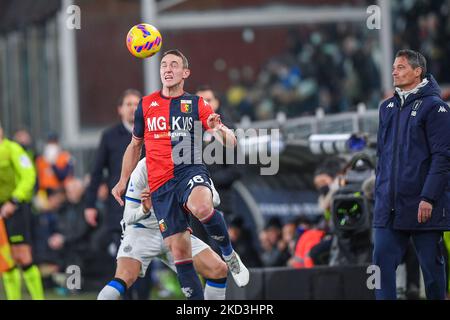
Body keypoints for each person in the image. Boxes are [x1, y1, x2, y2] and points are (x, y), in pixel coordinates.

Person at [112, 49, 249, 300]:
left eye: (174, 65)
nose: (167, 68)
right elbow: (135, 146)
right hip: (161, 184)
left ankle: (229, 255)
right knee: (180, 253)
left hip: (189, 170)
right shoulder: (146, 105)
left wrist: (221, 130)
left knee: (203, 207)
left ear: (185, 73)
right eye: (164, 64)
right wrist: (122, 181)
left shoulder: (196, 104)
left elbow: (229, 141)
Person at [374, 49, 450, 300]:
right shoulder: (387, 108)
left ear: (418, 72)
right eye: (394, 67)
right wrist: (380, 193)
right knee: (381, 269)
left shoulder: (436, 108)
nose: (394, 71)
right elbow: (381, 156)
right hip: (389, 207)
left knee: (432, 273)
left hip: (423, 207)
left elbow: (443, 157)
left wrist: (428, 197)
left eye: (401, 67)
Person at [98, 159, 228, 300]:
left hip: (174, 230)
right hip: (142, 231)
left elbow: (215, 200)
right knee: (125, 277)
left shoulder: (191, 164)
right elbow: (128, 216)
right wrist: (144, 209)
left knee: (218, 268)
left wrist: (195, 197)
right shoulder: (143, 168)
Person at [83, 89, 151, 299]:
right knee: (125, 261)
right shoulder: (110, 136)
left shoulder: (151, 133)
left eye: (136, 104)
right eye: (128, 104)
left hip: (149, 206)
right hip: (120, 210)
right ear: (120, 109)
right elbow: (96, 172)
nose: (132, 108)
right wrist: (90, 204)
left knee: (146, 261)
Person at [0, 121, 44, 300]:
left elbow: (29, 176)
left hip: (16, 208)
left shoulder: (13, 149)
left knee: (22, 256)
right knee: (5, 260)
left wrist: (14, 200)